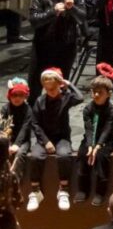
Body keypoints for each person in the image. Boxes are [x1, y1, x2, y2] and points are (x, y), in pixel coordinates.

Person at [28, 0, 85, 101]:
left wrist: (72, 8)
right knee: (34, 88)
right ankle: (33, 121)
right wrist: (52, 12)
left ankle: (59, 120)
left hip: (66, 47)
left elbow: (82, 18)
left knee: (61, 87)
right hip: (43, 47)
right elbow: (34, 21)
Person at [27, 67, 82, 212]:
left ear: (59, 85)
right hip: (44, 138)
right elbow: (35, 124)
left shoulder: (66, 97)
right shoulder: (40, 101)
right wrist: (46, 142)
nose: (50, 91)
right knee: (35, 157)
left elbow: (80, 98)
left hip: (62, 137)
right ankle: (35, 191)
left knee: (64, 155)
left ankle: (63, 189)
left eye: (53, 88)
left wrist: (67, 83)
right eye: (47, 88)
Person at [76, 75, 113, 206]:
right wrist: (89, 146)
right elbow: (88, 129)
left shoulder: (111, 110)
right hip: (90, 139)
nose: (96, 95)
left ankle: (100, 192)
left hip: (107, 140)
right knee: (83, 154)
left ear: (109, 94)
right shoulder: (88, 109)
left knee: (101, 157)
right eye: (94, 92)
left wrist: (98, 145)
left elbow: (108, 129)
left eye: (101, 92)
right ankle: (83, 189)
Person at [3, 79, 32, 181]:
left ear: (25, 97)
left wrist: (16, 144)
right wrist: (7, 143)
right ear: (9, 96)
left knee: (20, 154)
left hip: (23, 140)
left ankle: (14, 179)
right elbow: (3, 127)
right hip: (7, 138)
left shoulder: (28, 110)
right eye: (14, 95)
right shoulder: (5, 108)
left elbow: (25, 128)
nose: (17, 98)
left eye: (20, 95)